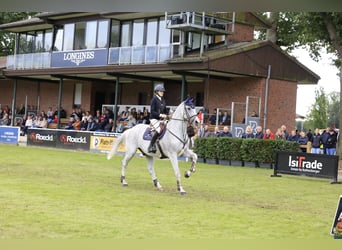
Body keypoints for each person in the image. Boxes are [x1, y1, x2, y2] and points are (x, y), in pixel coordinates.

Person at [148, 84, 168, 153]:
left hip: (162, 119)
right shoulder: (153, 100)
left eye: (163, 91)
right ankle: (151, 146)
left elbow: (165, 110)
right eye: (161, 91)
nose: (162, 92)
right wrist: (161, 115)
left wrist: (168, 115)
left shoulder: (163, 100)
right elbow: (152, 111)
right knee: (159, 130)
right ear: (157, 92)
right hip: (154, 119)